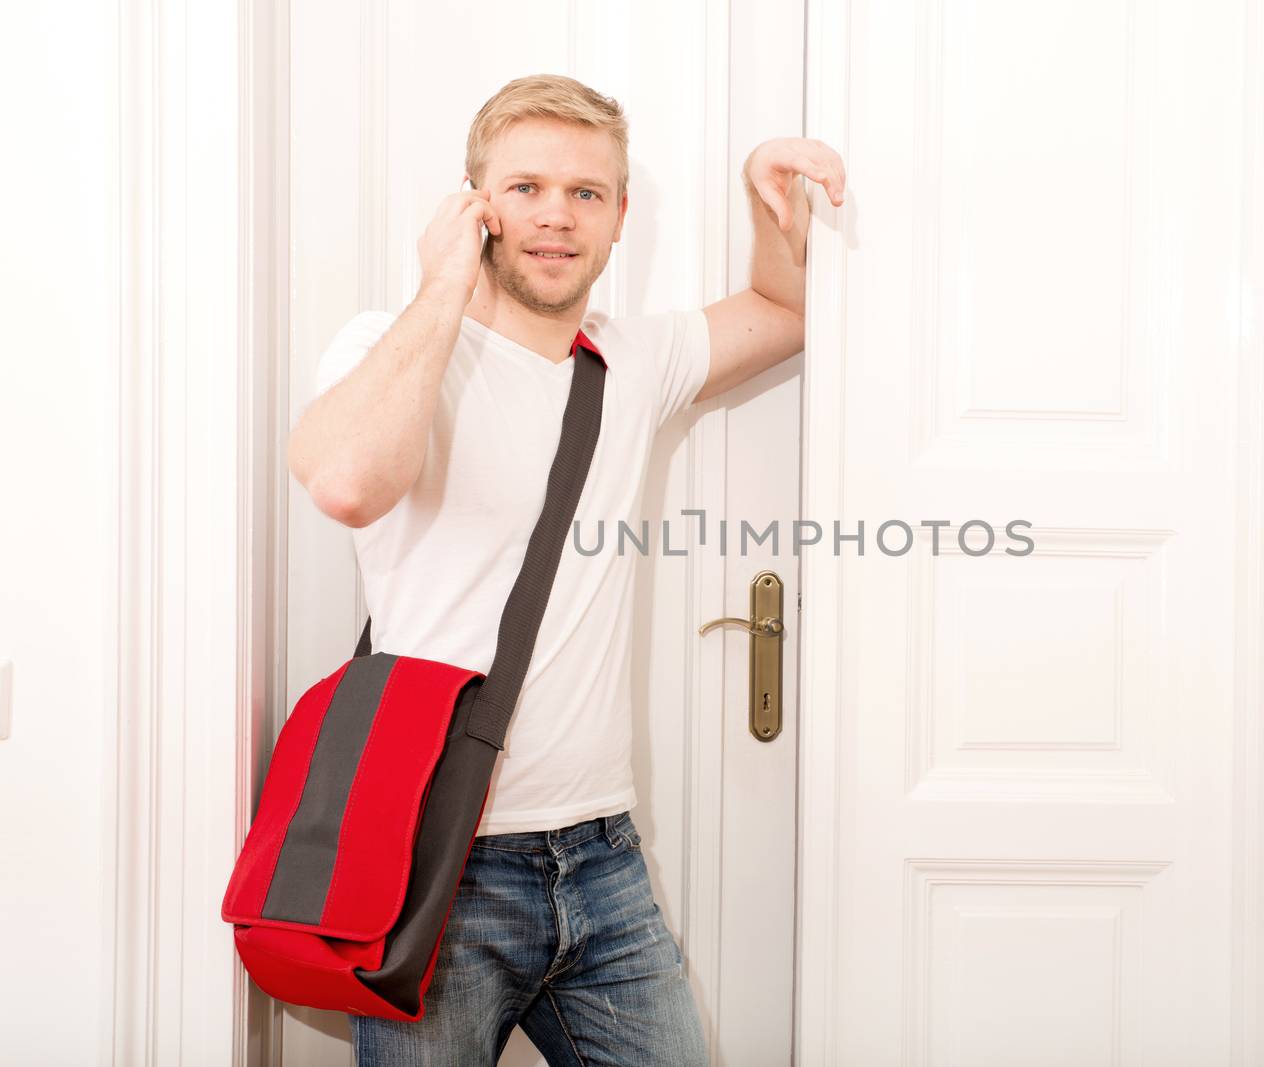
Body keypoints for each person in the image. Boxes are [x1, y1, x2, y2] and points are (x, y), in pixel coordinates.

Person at [287, 73, 845, 1065]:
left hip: (603, 860)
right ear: (478, 205)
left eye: (587, 192)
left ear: (620, 215)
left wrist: (769, 193)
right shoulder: (392, 344)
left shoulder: (630, 361)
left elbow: (783, 308)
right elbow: (344, 483)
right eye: (527, 187)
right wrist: (442, 286)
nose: (556, 216)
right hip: (437, 864)